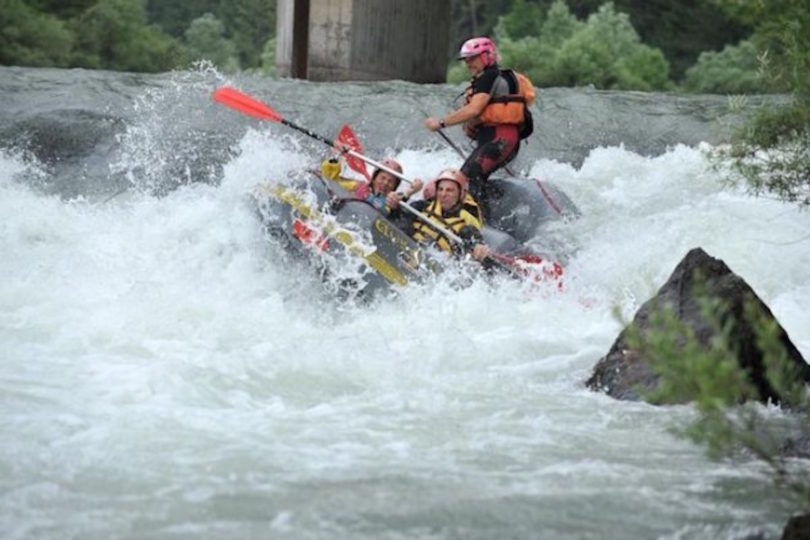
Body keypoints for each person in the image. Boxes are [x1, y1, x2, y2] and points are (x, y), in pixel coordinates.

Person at [424, 37, 534, 216]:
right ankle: (487, 216)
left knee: (467, 179)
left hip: (500, 140)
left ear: (487, 56)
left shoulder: (489, 76)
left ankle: (478, 223)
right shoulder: (490, 78)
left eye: (472, 58)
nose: (468, 63)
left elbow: (474, 109)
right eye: (466, 59)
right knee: (468, 179)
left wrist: (441, 123)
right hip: (499, 141)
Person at [386, 168, 490, 262]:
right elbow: (398, 216)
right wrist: (395, 205)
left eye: (449, 190)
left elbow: (476, 241)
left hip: (427, 265)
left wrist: (479, 249)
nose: (443, 194)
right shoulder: (421, 206)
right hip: (403, 249)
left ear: (461, 194)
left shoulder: (465, 227)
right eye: (440, 189)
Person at [320, 156, 422, 213]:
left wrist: (412, 191)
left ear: (394, 187)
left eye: (390, 182)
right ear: (373, 179)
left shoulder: (391, 201)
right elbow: (331, 179)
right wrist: (334, 159)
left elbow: (400, 199)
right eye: (382, 178)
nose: (385, 183)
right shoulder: (357, 186)